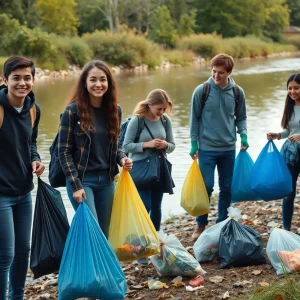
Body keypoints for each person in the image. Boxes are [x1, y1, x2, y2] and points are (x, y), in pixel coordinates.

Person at [58, 60, 133, 242]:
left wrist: (122, 158)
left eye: (103, 79)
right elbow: (64, 152)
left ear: (109, 83)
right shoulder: (72, 112)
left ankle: (101, 271)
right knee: (93, 232)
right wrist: (76, 186)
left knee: (106, 233)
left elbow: (116, 146)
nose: (98, 84)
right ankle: (89, 270)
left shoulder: (115, 110)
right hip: (82, 181)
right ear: (85, 83)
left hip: (106, 181)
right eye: (93, 80)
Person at [189, 53, 248, 242]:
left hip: (228, 148)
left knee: (226, 187)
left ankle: (222, 223)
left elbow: (241, 117)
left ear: (229, 72)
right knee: (206, 186)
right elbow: (194, 118)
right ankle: (201, 224)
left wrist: (244, 134)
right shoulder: (202, 90)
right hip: (206, 148)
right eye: (214, 72)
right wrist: (193, 143)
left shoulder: (237, 92)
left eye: (220, 73)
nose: (216, 76)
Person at [0, 56, 45, 300]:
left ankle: (17, 296)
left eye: (27, 78)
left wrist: (35, 159)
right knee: (5, 254)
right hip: (1, 195)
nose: (22, 83)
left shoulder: (33, 109)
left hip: (24, 192)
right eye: (16, 78)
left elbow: (31, 143)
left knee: (23, 251)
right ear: (4, 80)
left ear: (33, 80)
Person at [123, 89, 175, 233]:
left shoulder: (165, 121)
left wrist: (165, 145)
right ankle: (142, 238)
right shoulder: (137, 121)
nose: (162, 112)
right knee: (146, 205)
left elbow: (172, 146)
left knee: (157, 206)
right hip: (140, 169)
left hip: (159, 168)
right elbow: (126, 146)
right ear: (150, 104)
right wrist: (147, 144)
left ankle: (156, 239)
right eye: (159, 109)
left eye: (164, 109)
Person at [267, 73, 300, 231]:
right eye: (290, 88)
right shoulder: (290, 106)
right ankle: (286, 229)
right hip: (290, 153)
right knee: (289, 191)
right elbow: (289, 131)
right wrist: (278, 135)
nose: (292, 92)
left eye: (296, 88)